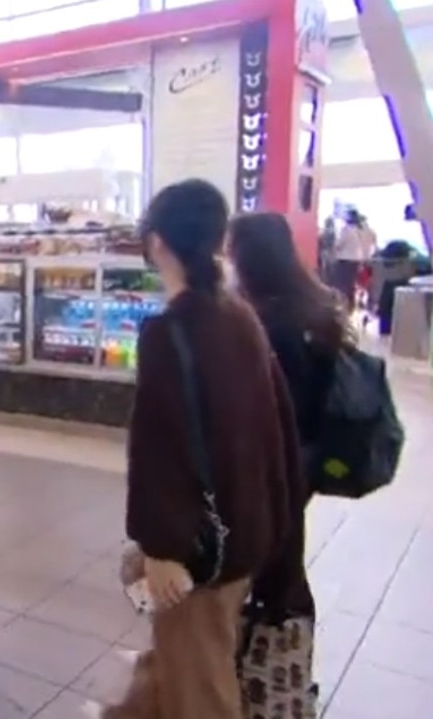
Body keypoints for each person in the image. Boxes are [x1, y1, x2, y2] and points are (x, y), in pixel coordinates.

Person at [103, 180, 303, 719]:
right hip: (247, 530)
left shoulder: (172, 332)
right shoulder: (239, 316)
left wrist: (160, 549)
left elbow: (159, 452)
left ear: (158, 243)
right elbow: (276, 430)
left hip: (199, 547)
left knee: (202, 684)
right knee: (182, 657)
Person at [228, 212, 341, 628]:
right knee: (286, 559)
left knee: (270, 569)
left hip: (273, 460)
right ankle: (289, 667)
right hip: (308, 454)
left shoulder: (267, 323)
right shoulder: (316, 307)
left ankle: (273, 671)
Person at [329, 209, 376, 313]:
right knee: (352, 284)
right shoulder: (358, 231)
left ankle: (343, 305)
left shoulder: (346, 230)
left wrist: (332, 251)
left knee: (342, 284)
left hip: (345, 260)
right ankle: (352, 305)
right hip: (357, 259)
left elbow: (339, 245)